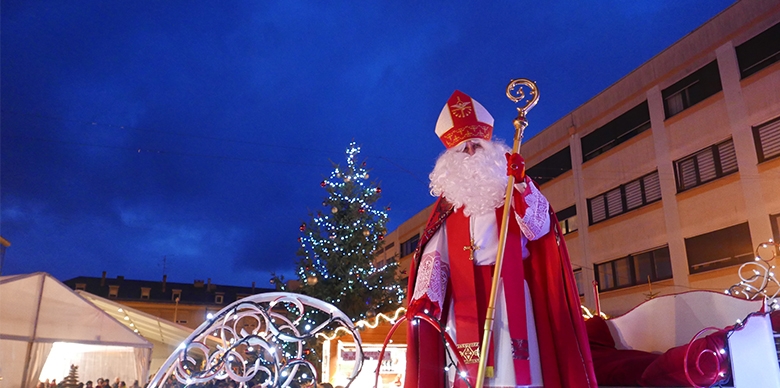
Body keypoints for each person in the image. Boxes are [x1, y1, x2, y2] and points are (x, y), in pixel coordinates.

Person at [404, 90, 596, 388]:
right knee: (469, 369)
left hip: (509, 291)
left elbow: (539, 229)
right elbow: (435, 256)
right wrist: (425, 297)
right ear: (448, 160)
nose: (469, 153)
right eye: (461, 149)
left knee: (512, 367)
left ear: (491, 148)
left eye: (475, 145)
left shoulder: (513, 192)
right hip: (464, 297)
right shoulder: (448, 209)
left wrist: (520, 184)